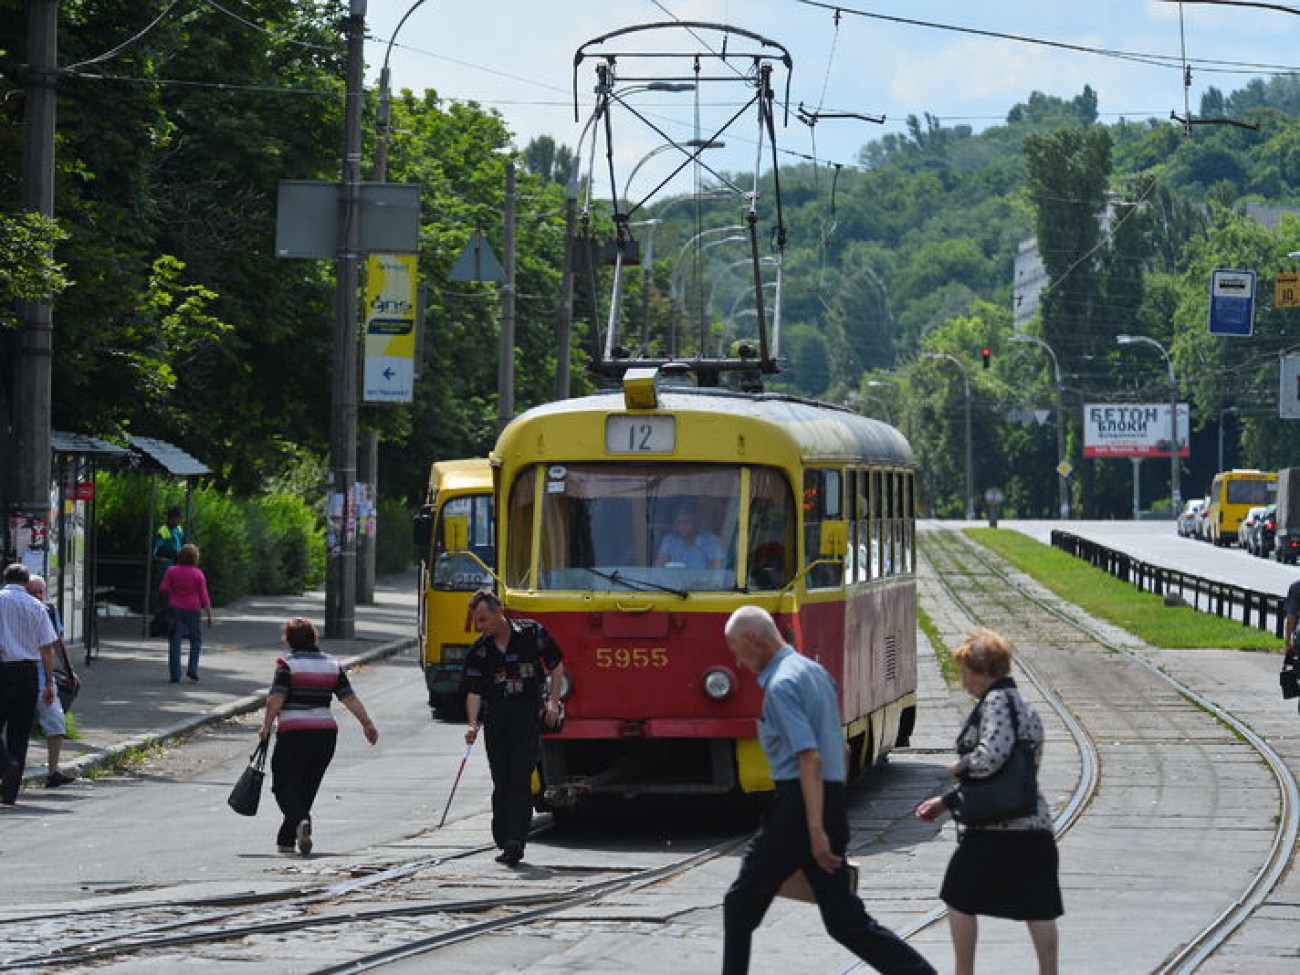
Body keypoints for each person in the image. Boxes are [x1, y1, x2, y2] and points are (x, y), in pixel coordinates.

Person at [721, 606, 936, 975]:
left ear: (755, 641)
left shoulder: (781, 686)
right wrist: (830, 815)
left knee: (740, 906)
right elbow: (844, 749)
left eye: (737, 649)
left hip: (799, 812)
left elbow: (809, 756)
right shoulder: (813, 672)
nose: (738, 662)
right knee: (845, 922)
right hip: (826, 803)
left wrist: (815, 831)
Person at [914, 629, 1062, 975]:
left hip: (996, 827)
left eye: (965, 673)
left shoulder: (995, 703)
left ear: (982, 670)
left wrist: (957, 767)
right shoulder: (1026, 707)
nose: (964, 682)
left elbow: (992, 757)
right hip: (1033, 823)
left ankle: (963, 971)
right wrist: (948, 802)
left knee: (958, 894)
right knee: (1039, 905)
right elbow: (1014, 770)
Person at [258, 617, 379, 855]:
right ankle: (286, 840)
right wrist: (367, 723)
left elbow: (277, 698)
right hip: (325, 733)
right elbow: (349, 698)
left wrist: (266, 726)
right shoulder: (332, 665)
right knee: (307, 786)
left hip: (294, 731)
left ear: (288, 639)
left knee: (283, 785)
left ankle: (302, 820)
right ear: (315, 637)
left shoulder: (287, 665)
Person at [462, 589, 565, 867]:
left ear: (499, 613)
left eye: (483, 619)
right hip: (496, 724)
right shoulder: (480, 651)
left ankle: (515, 841)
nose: (480, 626)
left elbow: (556, 666)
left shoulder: (533, 633)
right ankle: (503, 836)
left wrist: (553, 702)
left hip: (527, 721)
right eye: (477, 621)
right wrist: (472, 725)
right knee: (502, 782)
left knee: (520, 780)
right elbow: (473, 692)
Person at [0, 563, 59, 805]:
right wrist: (49, 684)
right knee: (19, 732)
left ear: (5, 579)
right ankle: (10, 793)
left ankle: (6, 763)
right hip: (30, 672)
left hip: (3, 669)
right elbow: (47, 648)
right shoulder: (37, 606)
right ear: (26, 583)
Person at [25, 575, 80, 788]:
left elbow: (57, 643)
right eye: (33, 592)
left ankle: (53, 771)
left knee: (56, 721)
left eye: (41, 591)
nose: (38, 596)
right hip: (22, 675)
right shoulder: (16, 609)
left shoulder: (49, 611)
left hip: (43, 676)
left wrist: (69, 671)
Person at [159, 543, 214, 682]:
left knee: (175, 641)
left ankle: (175, 675)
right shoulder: (198, 573)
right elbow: (204, 595)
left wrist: (172, 595)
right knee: (195, 640)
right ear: (195, 558)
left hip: (175, 609)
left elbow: (163, 588)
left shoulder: (171, 570)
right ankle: (192, 669)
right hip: (193, 609)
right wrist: (209, 615)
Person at [656, 506, 724, 569]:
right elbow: (659, 568)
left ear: (695, 523)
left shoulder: (711, 542)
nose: (681, 527)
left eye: (685, 522)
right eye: (678, 523)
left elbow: (715, 573)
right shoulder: (669, 540)